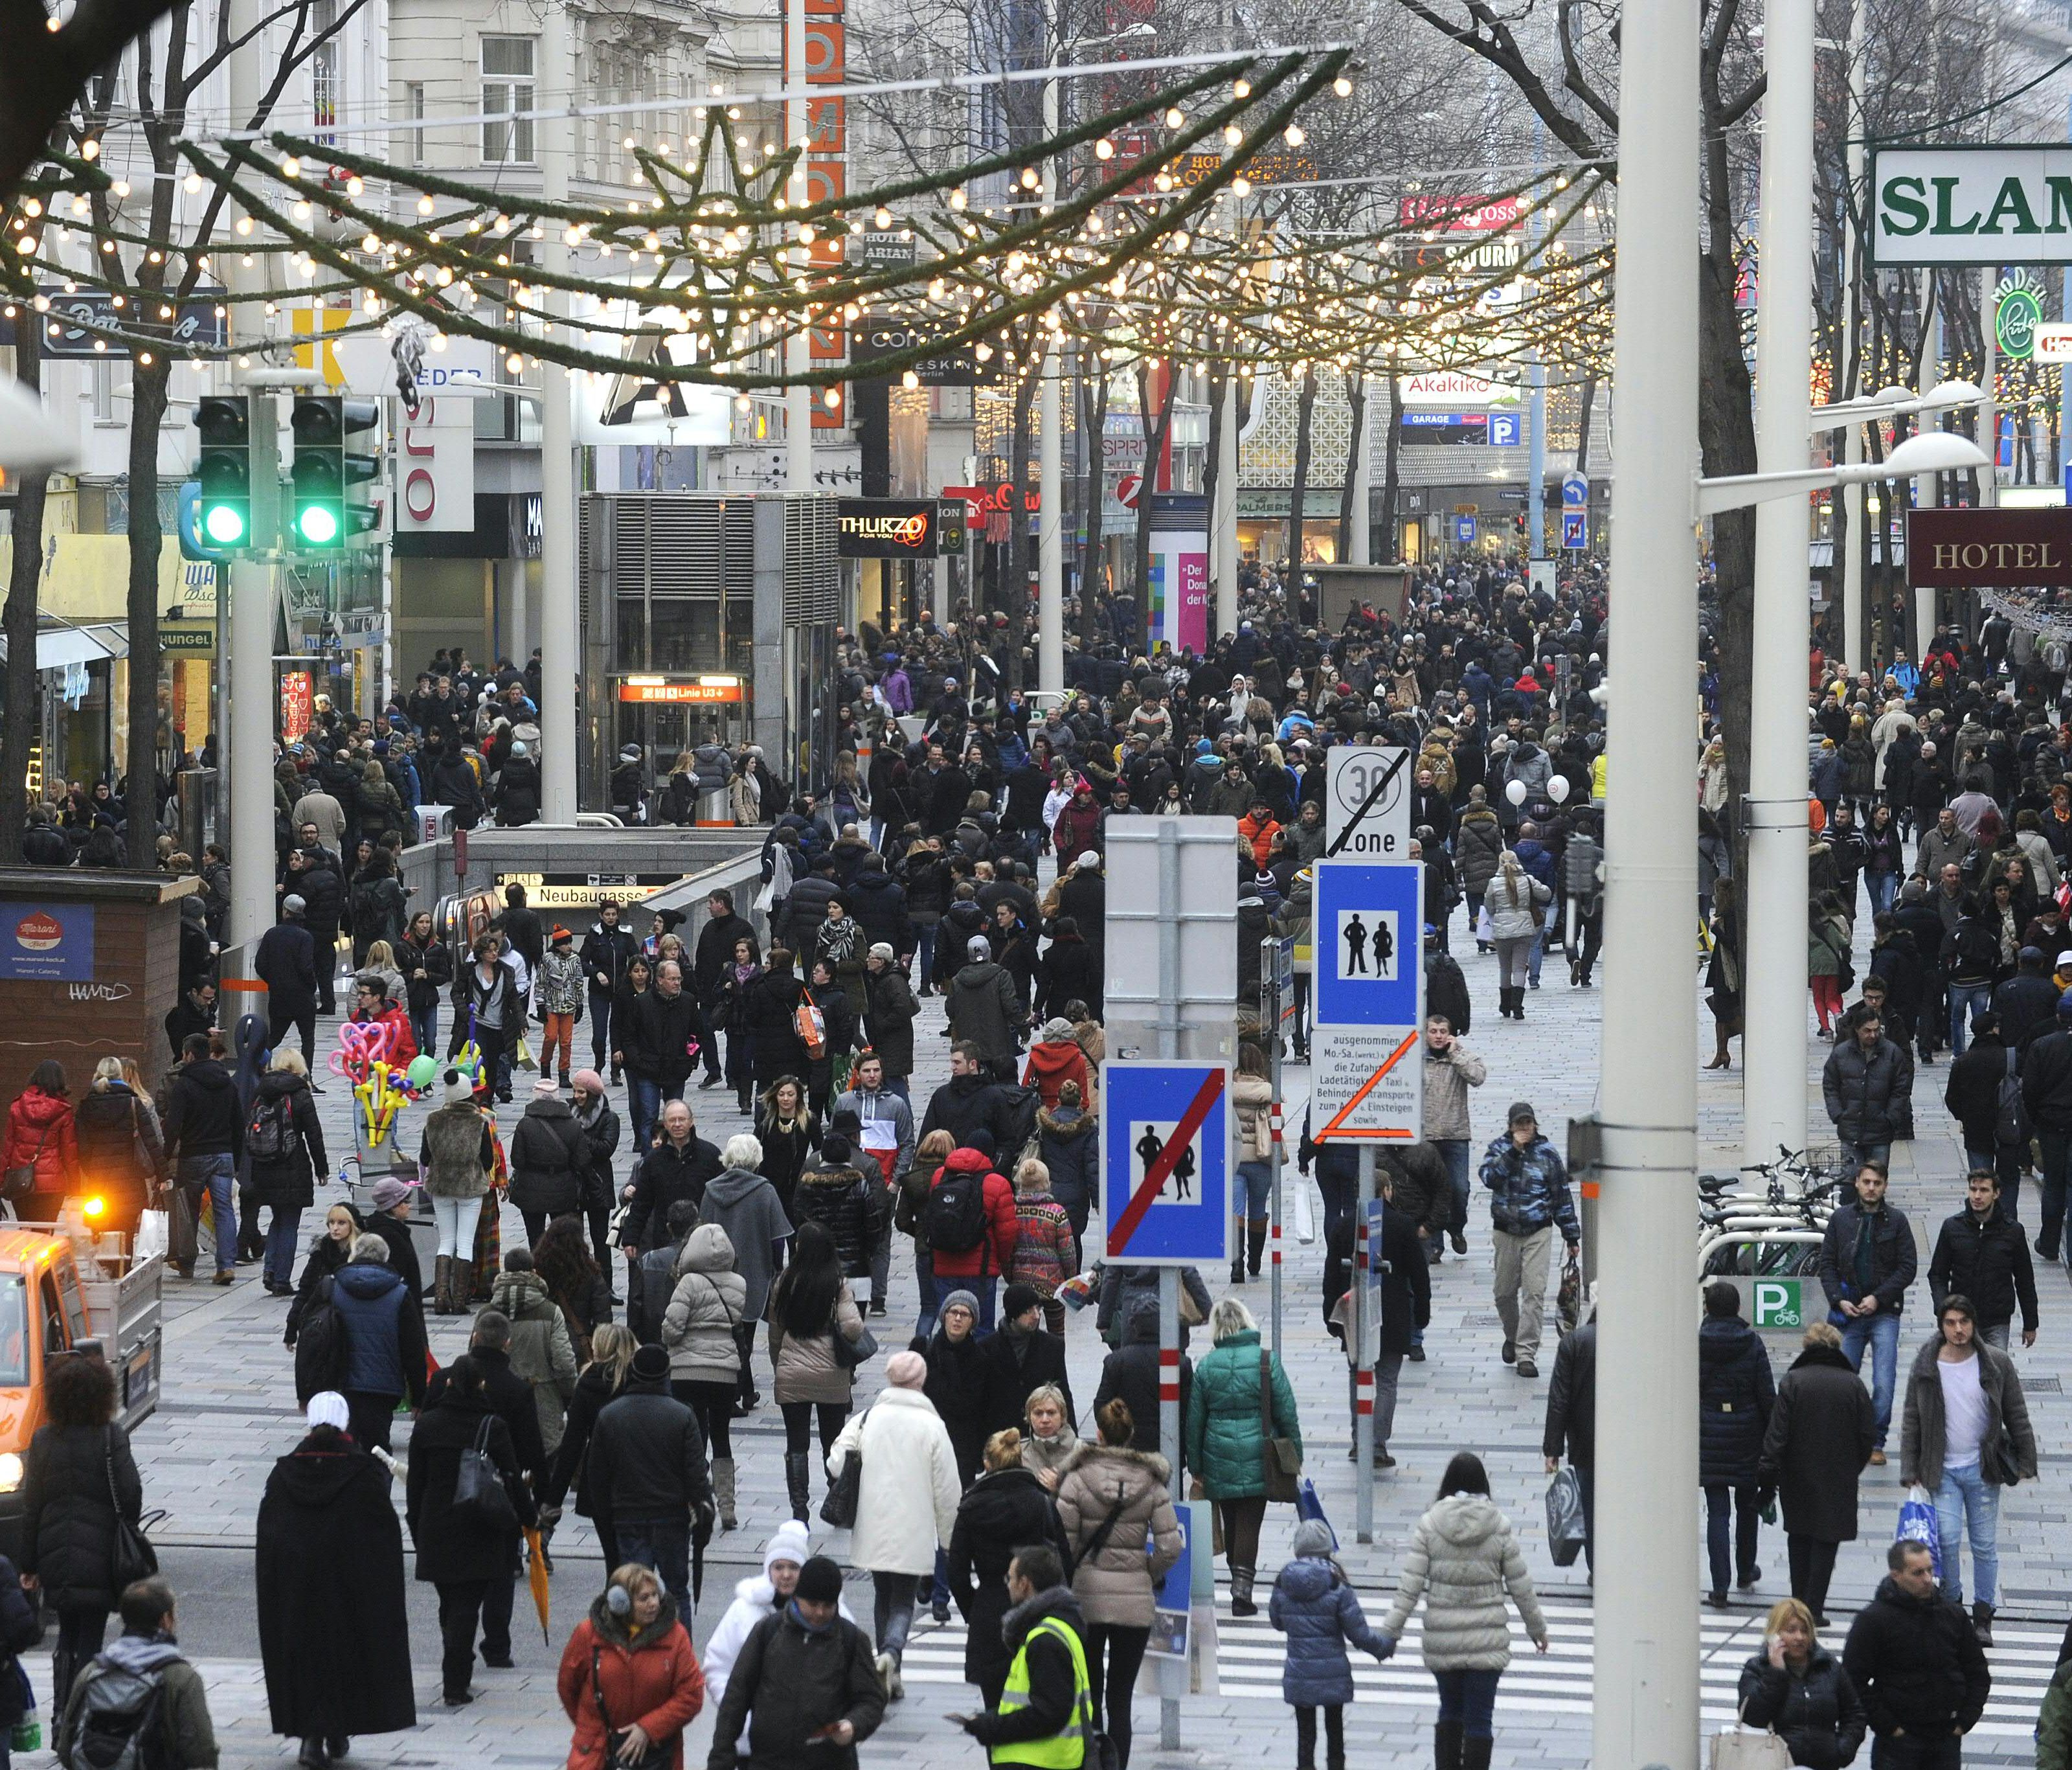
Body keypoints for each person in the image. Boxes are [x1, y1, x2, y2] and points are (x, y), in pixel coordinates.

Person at [256, 1393, 415, 1768]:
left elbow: (271, 1535)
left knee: (305, 1658)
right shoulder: (363, 1474)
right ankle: (338, 1728)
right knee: (346, 1657)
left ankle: (311, 1738)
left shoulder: (285, 1473)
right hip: (349, 1590)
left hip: (298, 1589)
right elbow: (383, 1537)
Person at [1375, 1451, 1550, 1770]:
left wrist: (1391, 1632)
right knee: (1480, 1720)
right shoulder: (1498, 1525)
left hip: (1444, 1640)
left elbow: (1410, 1587)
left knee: (1450, 1712)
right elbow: (1521, 1585)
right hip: (1487, 1642)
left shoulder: (1430, 1524)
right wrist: (1537, 1629)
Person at [1898, 1292, 2037, 1645]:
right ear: (1942, 1326)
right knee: (1945, 1540)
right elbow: (1912, 1417)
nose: (1958, 1329)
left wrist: (2026, 1461)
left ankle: (1984, 1616)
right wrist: (1910, 1467)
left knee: (1984, 1545)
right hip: (1942, 1468)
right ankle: (1952, 1609)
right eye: (1950, 1323)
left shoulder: (1995, 1362)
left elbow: (2016, 1412)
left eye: (1964, 1322)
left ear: (1974, 1324)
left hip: (1982, 1468)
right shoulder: (1927, 1362)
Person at [1052, 1398, 1182, 1763]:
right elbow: (1171, 1546)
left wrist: (1076, 1572)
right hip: (1134, 1603)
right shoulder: (1152, 1484)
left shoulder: (1077, 1479)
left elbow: (1063, 1542)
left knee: (1090, 1691)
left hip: (1086, 1599)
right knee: (1121, 1699)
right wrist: (1146, 1572)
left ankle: (1092, 1764)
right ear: (1131, 1434)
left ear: (1099, 1434)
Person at [825, 1348, 960, 1694]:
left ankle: (888, 1671)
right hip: (914, 1526)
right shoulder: (932, 1426)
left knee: (882, 1594)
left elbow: (835, 1462)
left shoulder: (868, 1419)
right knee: (903, 1599)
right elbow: (948, 1489)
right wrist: (949, 1540)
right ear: (921, 1381)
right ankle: (891, 1655)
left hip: (873, 1523)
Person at [406, 1353, 537, 1707]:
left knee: (450, 1601)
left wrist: (415, 1524)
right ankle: (455, 1680)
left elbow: (415, 1484)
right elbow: (512, 1478)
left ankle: (455, 1657)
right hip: (479, 1525)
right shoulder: (492, 1427)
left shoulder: (428, 1425)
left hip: (436, 1525)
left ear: (449, 1384)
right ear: (481, 1385)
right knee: (467, 1603)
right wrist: (529, 1518)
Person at [20, 1352, 142, 1716]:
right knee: (92, 1636)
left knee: (67, 1635)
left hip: (55, 1554)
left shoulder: (43, 1440)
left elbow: (32, 1506)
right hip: (101, 1556)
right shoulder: (111, 1437)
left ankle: (61, 1712)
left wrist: (29, 1565)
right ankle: (82, 1714)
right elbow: (131, 1495)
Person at [703, 1552, 885, 1769]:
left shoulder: (851, 1639)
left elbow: (871, 1700)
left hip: (830, 1763)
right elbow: (737, 1697)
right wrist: (721, 1758)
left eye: (828, 1606)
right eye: (813, 1604)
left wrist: (853, 1725)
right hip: (768, 1762)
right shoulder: (768, 1631)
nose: (820, 1612)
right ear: (798, 1597)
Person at [1186, 1296, 1301, 1618]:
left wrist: (1195, 1465)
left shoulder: (1207, 1366)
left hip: (1217, 1453)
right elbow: (1286, 1411)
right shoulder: (1266, 1360)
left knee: (1232, 1522)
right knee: (1250, 1523)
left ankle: (1238, 1581)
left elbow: (1194, 1420)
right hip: (1258, 1453)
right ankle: (1242, 1592)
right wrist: (1295, 1455)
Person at [1759, 1322, 1877, 1627]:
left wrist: (1769, 1473)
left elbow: (1777, 1434)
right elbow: (1867, 1434)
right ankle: (1815, 1606)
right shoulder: (1853, 1384)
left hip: (1796, 1474)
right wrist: (1852, 1466)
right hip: (1839, 1475)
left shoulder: (1793, 1381)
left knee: (1799, 1536)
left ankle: (1799, 1604)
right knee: (1827, 1538)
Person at [587, 1341, 715, 1613]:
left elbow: (597, 1475)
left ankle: (637, 1640)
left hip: (628, 1515)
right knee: (677, 1591)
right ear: (667, 1374)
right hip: (671, 1516)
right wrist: (705, 1508)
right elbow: (695, 1473)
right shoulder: (682, 1415)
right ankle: (679, 1641)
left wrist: (606, 1516)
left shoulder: (610, 1415)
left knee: (634, 1591)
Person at [949, 1427, 1072, 1708]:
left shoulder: (971, 1507)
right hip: (1036, 1606)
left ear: (987, 1463)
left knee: (995, 1708)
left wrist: (974, 1609)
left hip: (990, 1607)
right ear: (1020, 1460)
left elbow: (956, 1572)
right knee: (1037, 1704)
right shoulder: (1040, 1502)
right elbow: (1064, 1558)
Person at [1841, 1540, 1990, 1770]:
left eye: (1930, 1570)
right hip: (1899, 1741)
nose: (1927, 1579)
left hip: (1946, 1736)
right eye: (1918, 1573)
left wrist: (1965, 1720)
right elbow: (1852, 1679)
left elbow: (1977, 1671)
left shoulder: (1952, 1615)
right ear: (1896, 1575)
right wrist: (1888, 1726)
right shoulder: (1874, 1620)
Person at [952, 1545, 1095, 1768]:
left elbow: (1048, 1713)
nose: (1008, 1585)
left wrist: (991, 1726)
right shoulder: (1058, 1627)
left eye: (1010, 1578)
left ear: (1025, 1584)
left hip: (1038, 1760)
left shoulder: (1044, 1639)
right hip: (1047, 1758)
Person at [554, 1561, 705, 1770]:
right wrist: (590, 1728)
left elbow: (691, 1695)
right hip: (596, 1754)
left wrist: (648, 1729)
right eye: (644, 1598)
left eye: (655, 1595)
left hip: (656, 1755)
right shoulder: (587, 1634)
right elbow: (568, 1686)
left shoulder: (676, 1636)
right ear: (621, 1603)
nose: (653, 1603)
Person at [56, 1578, 218, 1770]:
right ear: (166, 1620)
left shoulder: (93, 1671)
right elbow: (201, 1753)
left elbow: (65, 1747)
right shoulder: (181, 1678)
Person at [1271, 1516, 1393, 1770]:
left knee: (1305, 1732)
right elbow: (1358, 1633)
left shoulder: (1284, 1581)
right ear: (1327, 1548)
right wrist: (1383, 1647)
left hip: (1299, 1672)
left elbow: (1278, 1622)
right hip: (1333, 1672)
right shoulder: (1337, 1584)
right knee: (1334, 1729)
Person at [1817, 1162, 1915, 1466]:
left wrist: (1879, 1297)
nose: (1871, 1188)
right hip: (1849, 1312)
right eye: (1867, 1182)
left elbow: (1907, 1267)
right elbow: (1827, 1264)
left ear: (1885, 1186)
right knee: (1844, 1380)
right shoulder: (1841, 1219)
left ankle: (1876, 1440)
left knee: (1884, 1381)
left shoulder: (1897, 1221)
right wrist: (1838, 1300)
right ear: (1857, 1183)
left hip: (1884, 1313)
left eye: (1877, 1183)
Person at [769, 1220, 866, 1521]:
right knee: (833, 1440)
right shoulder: (837, 1284)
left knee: (796, 1443)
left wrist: (779, 1364)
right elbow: (853, 1328)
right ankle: (836, 1499)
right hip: (831, 1371)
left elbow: (775, 1331)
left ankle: (800, 1508)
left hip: (792, 1370)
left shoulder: (784, 1281)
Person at [1477, 1100, 1580, 1380]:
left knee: (1534, 1294)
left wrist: (1571, 1235)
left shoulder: (1547, 1153)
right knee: (1503, 1293)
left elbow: (1561, 1196)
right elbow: (1489, 1178)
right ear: (1510, 1127)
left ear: (1535, 1124)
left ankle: (1526, 1354)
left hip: (1538, 1231)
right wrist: (1514, 1151)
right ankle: (1513, 1336)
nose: (1525, 1128)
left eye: (1528, 1123)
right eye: (1519, 1124)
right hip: (1505, 1232)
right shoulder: (1499, 1149)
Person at [660, 1221, 749, 1530]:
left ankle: (697, 1503)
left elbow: (672, 1328)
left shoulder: (689, 1282)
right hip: (724, 1371)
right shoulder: (738, 1283)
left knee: (693, 1437)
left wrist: (670, 1338)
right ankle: (728, 1507)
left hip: (687, 1371)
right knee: (721, 1436)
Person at [1698, 1280, 1775, 1608]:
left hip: (1709, 1433)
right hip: (1747, 1435)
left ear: (1707, 1308)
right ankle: (1745, 1570)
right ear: (1738, 1308)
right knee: (1748, 1506)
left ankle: (1720, 1586)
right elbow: (1767, 1395)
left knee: (1717, 1512)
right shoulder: (1752, 1343)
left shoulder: (1696, 1342)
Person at [541, 1324, 636, 1572]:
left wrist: (553, 1499)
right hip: (640, 1475)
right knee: (637, 1555)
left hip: (600, 1477)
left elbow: (572, 1445)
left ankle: (616, 1591)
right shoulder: (642, 1381)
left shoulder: (588, 1383)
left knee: (613, 1556)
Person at [1737, 1596, 1869, 1770]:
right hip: (1775, 1764)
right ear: (1774, 1634)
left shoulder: (1829, 1667)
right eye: (1791, 1630)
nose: (1799, 1637)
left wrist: (1842, 1751)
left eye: (1805, 1630)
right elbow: (1753, 1718)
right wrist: (1776, 1672)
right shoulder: (1758, 1668)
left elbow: (1854, 1714)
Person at [328, 1233, 430, 1452]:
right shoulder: (400, 1294)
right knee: (378, 1448)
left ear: (355, 1254)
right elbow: (413, 1350)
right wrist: (419, 1397)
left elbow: (313, 1337)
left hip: (341, 1381)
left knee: (344, 1449)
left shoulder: (333, 1287)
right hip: (384, 1386)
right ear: (386, 1258)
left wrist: (308, 1390)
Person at [1926, 1170, 2038, 1352]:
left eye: (1984, 1190)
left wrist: (2030, 1323)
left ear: (1996, 1193)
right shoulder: (1952, 1227)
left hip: (1997, 1320)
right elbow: (1938, 1274)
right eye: (1973, 1189)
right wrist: (1943, 1309)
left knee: (1995, 1368)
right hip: (1961, 1319)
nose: (1977, 1196)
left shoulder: (2013, 1231)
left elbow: (2024, 1279)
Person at [248, 1049, 328, 1298]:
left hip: (265, 1166)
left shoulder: (262, 1091)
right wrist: (322, 1169)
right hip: (293, 1165)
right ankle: (282, 1279)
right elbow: (314, 1135)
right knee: (290, 1223)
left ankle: (270, 1271)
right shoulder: (301, 1094)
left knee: (277, 1219)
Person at [160, 1039, 242, 1283]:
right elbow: (238, 1123)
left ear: (190, 1055)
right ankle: (226, 1266)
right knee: (224, 1209)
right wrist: (236, 1159)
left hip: (194, 1155)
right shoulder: (227, 1082)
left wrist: (163, 1158)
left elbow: (173, 1125)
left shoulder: (185, 1084)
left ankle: (187, 1263)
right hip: (224, 1155)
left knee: (189, 1210)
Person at [420, 1067, 499, 1315]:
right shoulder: (479, 1122)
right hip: (470, 1188)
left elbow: (424, 1158)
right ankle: (459, 1300)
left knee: (446, 1241)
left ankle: (440, 1297)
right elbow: (488, 1160)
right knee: (464, 1242)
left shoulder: (433, 1120)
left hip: (441, 1186)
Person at [487, 1247, 579, 1458]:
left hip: (496, 1404)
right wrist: (566, 1395)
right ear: (534, 1272)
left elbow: (476, 1360)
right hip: (542, 1402)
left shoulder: (487, 1313)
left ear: (505, 1271)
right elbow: (564, 1363)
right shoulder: (550, 1311)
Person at [1541, 1302, 1598, 1574]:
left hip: (1585, 1443)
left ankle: (1597, 1568)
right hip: (1628, 1444)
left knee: (1590, 1507)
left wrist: (1553, 1450)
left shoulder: (1574, 1342)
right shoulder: (1636, 1343)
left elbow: (1559, 1399)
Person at [1423, 1016, 1484, 1254]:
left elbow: (1478, 1077)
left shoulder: (1462, 1056)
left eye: (1443, 1031)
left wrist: (1455, 1055)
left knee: (1460, 1189)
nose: (1438, 1036)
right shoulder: (1417, 1059)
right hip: (1426, 1136)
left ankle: (1456, 1227)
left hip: (1455, 1134)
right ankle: (1435, 1244)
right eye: (1433, 1031)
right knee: (1430, 1191)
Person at [1821, 1015, 1914, 1168]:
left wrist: (1891, 1117)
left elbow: (1901, 1088)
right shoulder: (1841, 1053)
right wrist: (1838, 1113)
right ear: (1857, 1030)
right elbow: (1830, 1084)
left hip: (1880, 1132)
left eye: (1876, 1030)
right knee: (1850, 1179)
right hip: (1850, 1130)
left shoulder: (1892, 1053)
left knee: (1876, 1178)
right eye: (1867, 1031)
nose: (1873, 1035)